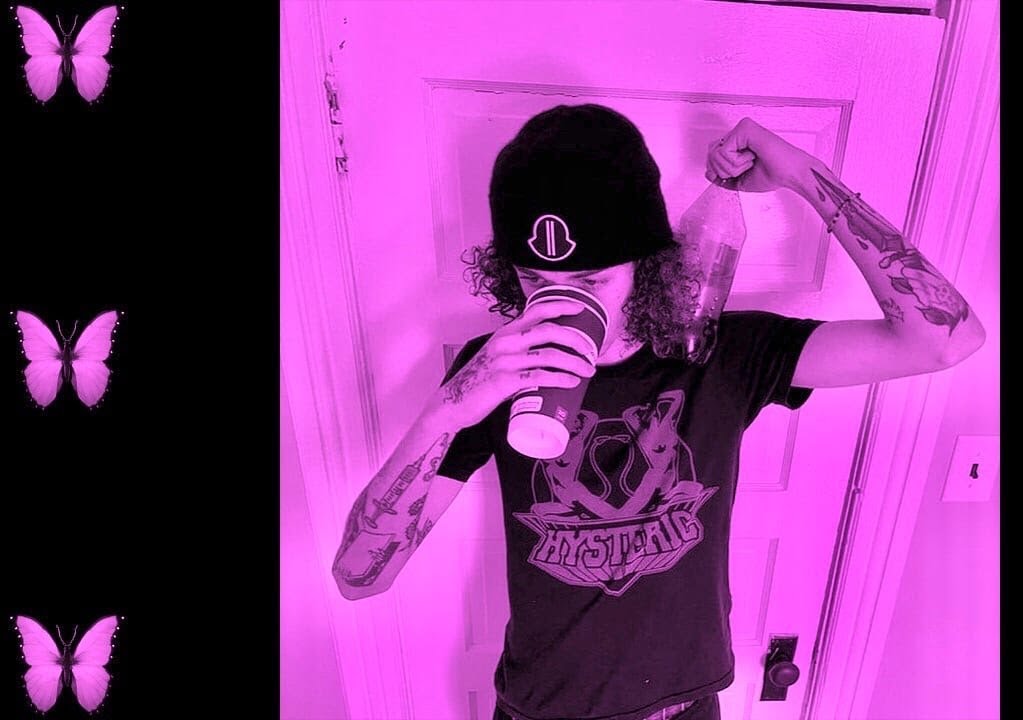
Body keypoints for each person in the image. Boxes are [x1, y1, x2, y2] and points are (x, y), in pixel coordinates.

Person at [332, 104, 984, 720]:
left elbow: (943, 340)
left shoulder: (719, 350)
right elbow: (360, 577)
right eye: (535, 281)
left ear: (646, 266)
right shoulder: (493, 367)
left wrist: (803, 174)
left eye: (592, 282)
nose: (560, 305)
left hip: (685, 707)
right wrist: (449, 409)